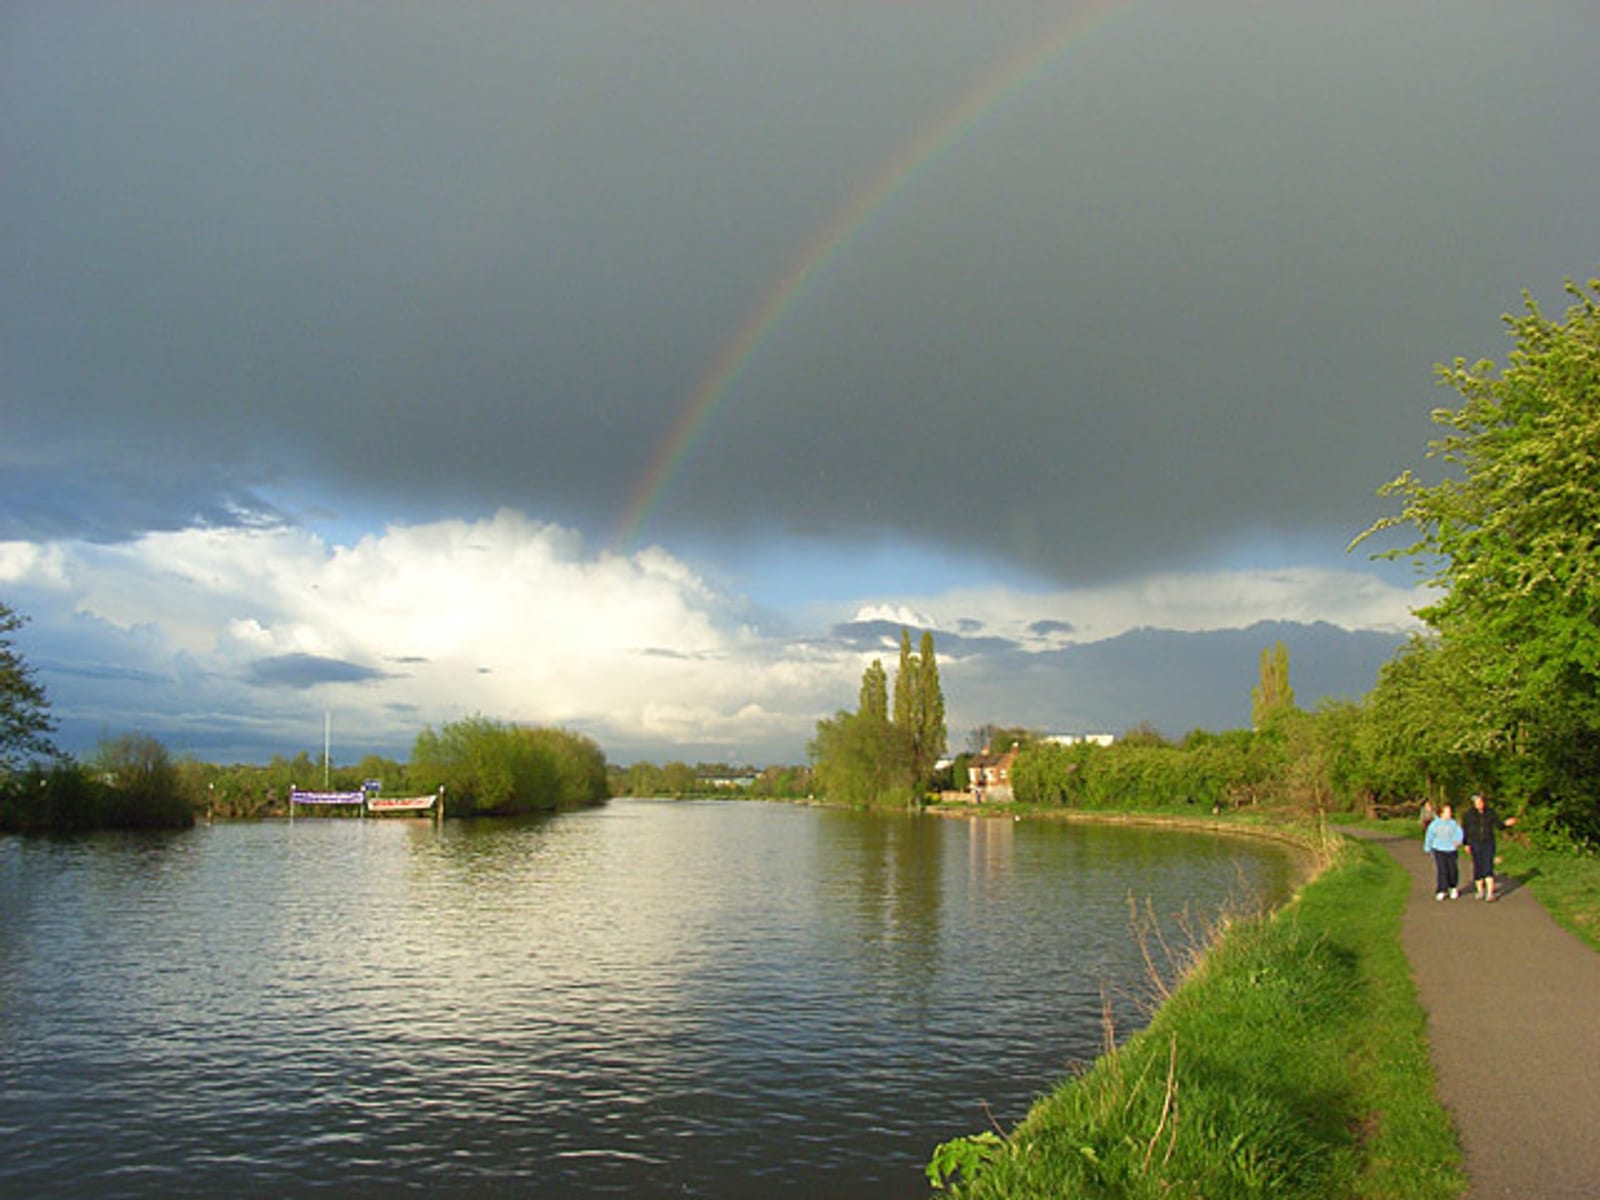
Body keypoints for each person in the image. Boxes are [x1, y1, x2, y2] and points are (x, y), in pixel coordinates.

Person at [1461, 792, 1516, 902]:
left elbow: (1498, 824)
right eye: (1477, 802)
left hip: (1488, 842)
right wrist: (1466, 843)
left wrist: (1506, 824)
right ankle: (1480, 891)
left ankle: (1490, 893)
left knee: (1488, 865)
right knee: (1478, 866)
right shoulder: (1469, 815)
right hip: (1475, 842)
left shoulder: (1490, 812)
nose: (1479, 804)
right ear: (1473, 804)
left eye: (1481, 802)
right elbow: (1465, 829)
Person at [1423, 802, 1464, 900]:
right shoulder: (1435, 824)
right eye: (1447, 812)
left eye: (1450, 812)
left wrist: (1458, 841)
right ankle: (1442, 890)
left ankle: (1453, 887)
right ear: (1441, 813)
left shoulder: (1453, 823)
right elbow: (1429, 835)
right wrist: (1427, 847)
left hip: (1451, 850)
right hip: (1439, 849)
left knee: (1452, 870)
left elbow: (1459, 833)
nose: (1449, 814)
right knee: (1442, 870)